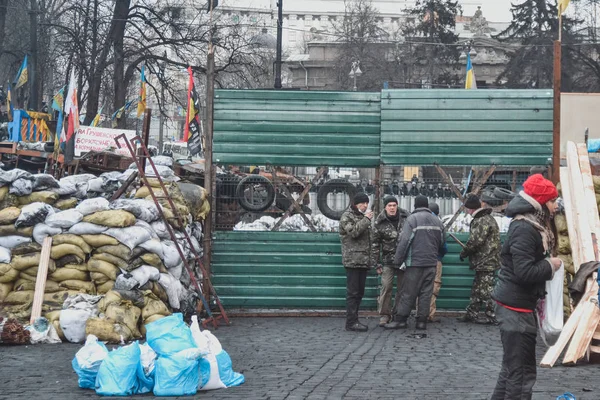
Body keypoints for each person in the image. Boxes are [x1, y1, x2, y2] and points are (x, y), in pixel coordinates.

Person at [491, 174, 562, 400]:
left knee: (512, 369)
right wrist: (550, 265)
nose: (555, 206)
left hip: (518, 306)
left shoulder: (531, 225)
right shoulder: (525, 228)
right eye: (551, 201)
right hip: (515, 310)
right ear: (540, 202)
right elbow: (525, 272)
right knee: (521, 374)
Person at [385, 195, 445, 331]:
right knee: (426, 293)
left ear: (415, 206)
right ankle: (421, 322)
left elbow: (404, 241)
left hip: (414, 263)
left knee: (408, 293)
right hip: (431, 263)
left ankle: (400, 320)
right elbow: (442, 243)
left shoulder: (412, 219)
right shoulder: (438, 221)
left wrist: (397, 261)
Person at [457, 194, 501, 325]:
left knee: (486, 290)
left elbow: (475, 242)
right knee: (477, 288)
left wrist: (464, 253)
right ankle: (472, 313)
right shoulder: (488, 218)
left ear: (470, 209)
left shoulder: (480, 220)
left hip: (485, 261)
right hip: (488, 260)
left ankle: (491, 315)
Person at [371, 195, 409, 327]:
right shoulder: (380, 222)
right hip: (388, 260)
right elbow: (375, 244)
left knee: (402, 289)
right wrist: (376, 263)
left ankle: (398, 313)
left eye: (394, 205)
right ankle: (384, 314)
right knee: (386, 286)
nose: (392, 208)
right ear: (385, 207)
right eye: (389, 206)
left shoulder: (406, 217)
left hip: (403, 260)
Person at [339, 192, 373, 332]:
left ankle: (355, 319)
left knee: (359, 292)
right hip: (352, 260)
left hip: (363, 260)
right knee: (353, 293)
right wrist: (366, 219)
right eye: (363, 203)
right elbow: (353, 232)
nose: (365, 206)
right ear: (356, 203)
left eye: (366, 203)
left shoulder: (361, 216)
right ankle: (351, 322)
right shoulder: (347, 216)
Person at [428, 202, 447, 322]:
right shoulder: (439, 223)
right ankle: (430, 314)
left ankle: (421, 313)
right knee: (434, 286)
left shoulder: (416, 220)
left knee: (422, 287)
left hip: (420, 261)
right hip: (435, 259)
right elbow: (443, 245)